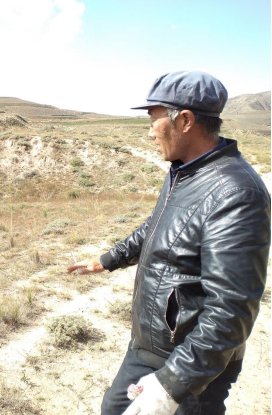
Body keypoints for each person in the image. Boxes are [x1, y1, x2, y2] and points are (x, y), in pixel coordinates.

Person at [68, 71, 271, 415]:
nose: (150, 131)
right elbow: (159, 224)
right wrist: (108, 259)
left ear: (185, 121)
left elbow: (231, 309)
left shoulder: (236, 193)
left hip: (189, 364)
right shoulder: (185, 171)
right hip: (151, 348)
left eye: (154, 119)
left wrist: (172, 384)